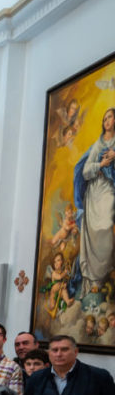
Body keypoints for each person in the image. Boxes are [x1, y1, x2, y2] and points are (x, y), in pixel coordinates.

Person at [76, 107, 115, 292]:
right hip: (94, 192)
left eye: (110, 117)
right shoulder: (97, 145)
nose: (107, 120)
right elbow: (85, 171)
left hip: (109, 189)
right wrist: (101, 164)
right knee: (92, 231)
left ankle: (106, 270)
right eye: (104, 118)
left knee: (106, 225)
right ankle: (94, 279)